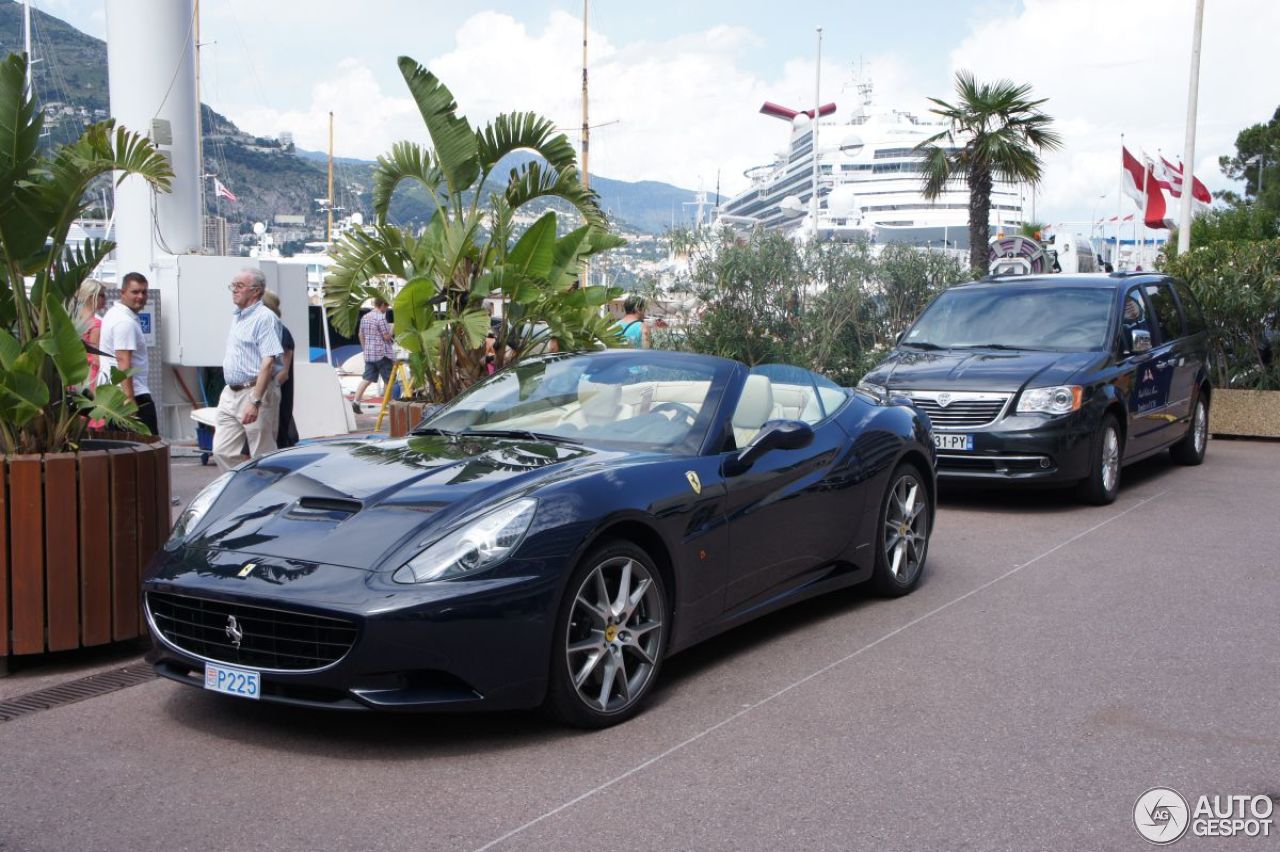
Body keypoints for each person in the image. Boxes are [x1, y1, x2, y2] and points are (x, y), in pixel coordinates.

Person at [213, 269, 283, 471]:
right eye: (233, 285)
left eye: (240, 286)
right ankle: (242, 487)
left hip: (252, 391)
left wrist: (255, 400)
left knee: (263, 454)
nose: (234, 290)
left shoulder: (265, 318)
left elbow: (268, 361)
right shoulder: (238, 316)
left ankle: (267, 495)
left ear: (256, 291)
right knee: (222, 451)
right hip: (230, 392)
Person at [98, 271, 159, 435]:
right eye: (135, 292)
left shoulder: (114, 314)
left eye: (144, 292)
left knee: (123, 450)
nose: (140, 296)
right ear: (122, 293)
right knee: (149, 448)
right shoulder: (124, 322)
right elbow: (123, 363)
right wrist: (129, 400)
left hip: (113, 395)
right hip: (131, 395)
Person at [261, 289, 299, 448]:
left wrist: (264, 389)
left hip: (274, 395)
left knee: (275, 439)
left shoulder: (281, 332)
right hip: (268, 392)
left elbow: (283, 373)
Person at [73, 278, 107, 428]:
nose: (105, 300)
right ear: (91, 297)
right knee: (92, 415)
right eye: (102, 295)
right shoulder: (95, 323)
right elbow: (96, 355)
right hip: (90, 372)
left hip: (75, 372)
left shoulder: (74, 319)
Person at [351, 296, 394, 414]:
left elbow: (361, 334)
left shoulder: (365, 317)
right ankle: (387, 405)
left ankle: (356, 402)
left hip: (369, 354)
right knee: (388, 380)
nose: (387, 309)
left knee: (367, 378)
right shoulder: (380, 318)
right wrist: (392, 328)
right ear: (382, 305)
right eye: (387, 306)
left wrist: (365, 349)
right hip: (382, 354)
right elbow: (386, 337)